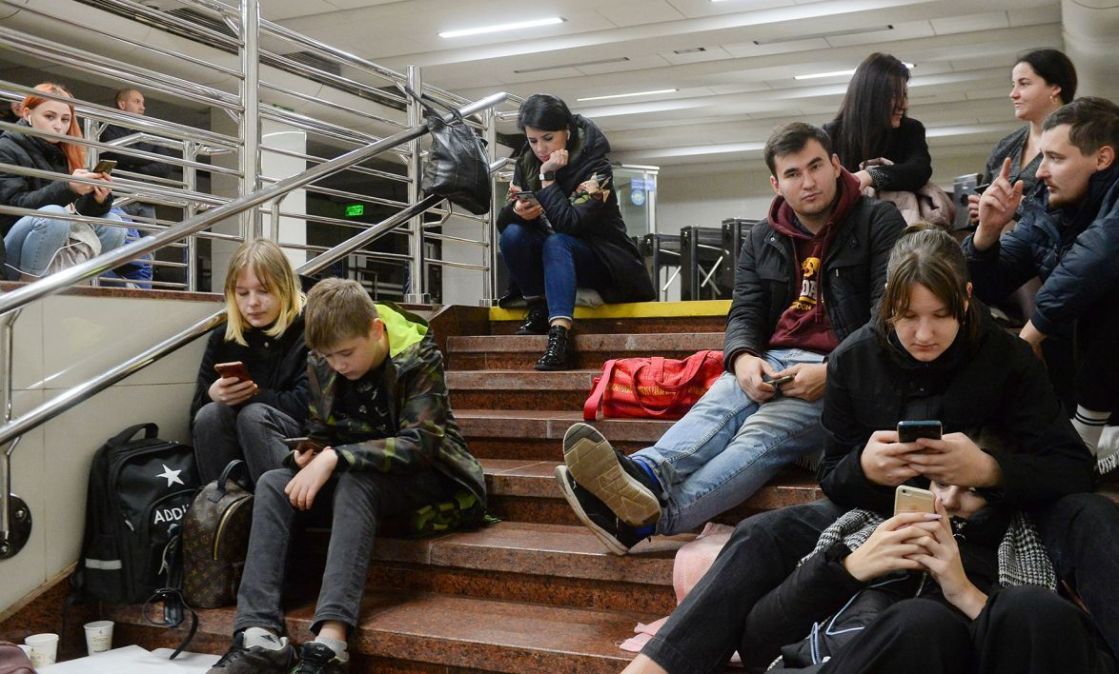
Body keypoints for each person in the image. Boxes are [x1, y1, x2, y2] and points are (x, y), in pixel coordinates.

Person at [621, 226, 1099, 674]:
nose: (924, 334)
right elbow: (833, 476)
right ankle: (657, 665)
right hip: (872, 509)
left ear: (966, 301)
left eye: (940, 316)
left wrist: (989, 471)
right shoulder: (853, 357)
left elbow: (1072, 468)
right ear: (888, 307)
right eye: (909, 317)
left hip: (978, 518)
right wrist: (866, 468)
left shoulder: (1009, 358)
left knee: (925, 622)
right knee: (758, 535)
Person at [556, 122, 905, 556]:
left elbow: (886, 316)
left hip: (842, 372)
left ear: (837, 166)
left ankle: (650, 518)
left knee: (759, 435)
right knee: (721, 404)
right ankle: (645, 472)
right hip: (772, 359)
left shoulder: (877, 221)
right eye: (794, 173)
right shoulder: (764, 236)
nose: (809, 181)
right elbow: (745, 312)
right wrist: (741, 359)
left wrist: (833, 373)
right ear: (776, 183)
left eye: (816, 166)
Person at [207, 278, 487, 674]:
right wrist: (313, 452)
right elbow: (322, 429)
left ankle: (331, 640)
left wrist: (335, 458)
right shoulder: (323, 359)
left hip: (433, 475)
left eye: (346, 353)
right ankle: (258, 634)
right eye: (328, 356)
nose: (338, 364)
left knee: (357, 482)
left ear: (375, 330)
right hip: (358, 468)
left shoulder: (417, 354)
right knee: (272, 482)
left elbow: (420, 445)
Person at [966, 97, 1119, 460]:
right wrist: (987, 235)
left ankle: (1083, 439)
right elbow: (990, 285)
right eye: (1042, 156)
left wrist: (1030, 334)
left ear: (1102, 158)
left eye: (1056, 158)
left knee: (1107, 278)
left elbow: (1100, 255)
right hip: (1078, 383)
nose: (1041, 171)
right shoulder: (1051, 204)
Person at [740, 483, 1114, 674]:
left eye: (972, 490)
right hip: (841, 662)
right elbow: (759, 645)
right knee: (919, 624)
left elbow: (1079, 654)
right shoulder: (862, 532)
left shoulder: (1024, 554)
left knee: (1030, 608)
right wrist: (850, 568)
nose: (948, 501)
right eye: (939, 484)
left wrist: (964, 592)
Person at [496, 93, 653, 370]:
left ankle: (559, 336)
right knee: (512, 234)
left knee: (558, 242)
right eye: (533, 141)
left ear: (566, 132)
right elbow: (503, 221)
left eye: (548, 138)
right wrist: (517, 212)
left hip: (601, 259)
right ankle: (539, 306)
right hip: (553, 256)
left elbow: (570, 223)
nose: (540, 148)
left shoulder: (597, 167)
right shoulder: (527, 162)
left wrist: (548, 177)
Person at [190, 238, 309, 485]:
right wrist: (211, 395)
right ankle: (224, 510)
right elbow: (194, 418)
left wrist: (249, 396)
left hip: (293, 446)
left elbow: (307, 406)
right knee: (210, 414)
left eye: (263, 291)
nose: (252, 302)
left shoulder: (308, 331)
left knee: (253, 416)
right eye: (242, 293)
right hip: (235, 450)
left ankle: (276, 507)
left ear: (285, 288)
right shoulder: (223, 337)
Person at [0, 83, 126, 278]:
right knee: (54, 216)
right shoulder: (6, 147)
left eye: (65, 119)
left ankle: (75, 282)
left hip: (54, 241)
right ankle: (28, 290)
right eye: (49, 116)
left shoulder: (65, 150)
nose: (59, 125)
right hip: (13, 243)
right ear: (27, 113)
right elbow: (12, 207)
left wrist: (96, 199)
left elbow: (77, 212)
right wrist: (67, 188)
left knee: (114, 225)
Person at [967, 49, 1078, 225]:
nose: (1013, 94)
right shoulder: (1005, 147)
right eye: (1013, 85)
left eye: (1024, 84)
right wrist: (982, 209)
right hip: (1002, 248)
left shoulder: (1080, 140)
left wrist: (1016, 206)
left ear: (1055, 88)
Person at [824, 52, 931, 194]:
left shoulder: (910, 130)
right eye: (894, 96)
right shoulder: (831, 135)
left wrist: (871, 175)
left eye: (904, 95)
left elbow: (920, 170)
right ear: (871, 96)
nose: (904, 105)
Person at [99, 87, 177, 224]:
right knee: (123, 239)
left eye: (143, 103)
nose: (142, 107)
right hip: (118, 195)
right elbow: (120, 154)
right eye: (137, 102)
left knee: (151, 242)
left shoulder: (148, 133)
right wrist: (150, 158)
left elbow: (166, 165)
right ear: (122, 104)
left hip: (145, 198)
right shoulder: (106, 127)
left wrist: (137, 170)